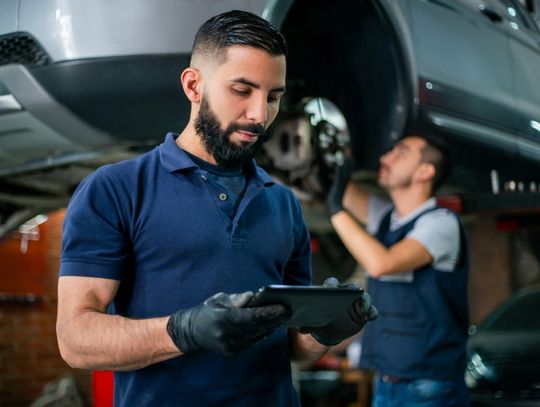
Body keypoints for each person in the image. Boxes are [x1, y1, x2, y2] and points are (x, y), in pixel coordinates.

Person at [56, 10, 376, 406]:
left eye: (273, 96)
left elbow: (293, 347)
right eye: (242, 90)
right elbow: (75, 340)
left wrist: (325, 330)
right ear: (193, 85)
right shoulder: (116, 189)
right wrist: (183, 331)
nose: (260, 115)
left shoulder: (283, 204)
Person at [326, 132, 470, 406]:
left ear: (425, 171)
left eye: (400, 152)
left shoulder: (441, 223)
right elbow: (338, 191)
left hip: (430, 388)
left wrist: (336, 212)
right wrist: (330, 162)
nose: (385, 157)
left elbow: (382, 264)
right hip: (386, 382)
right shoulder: (386, 218)